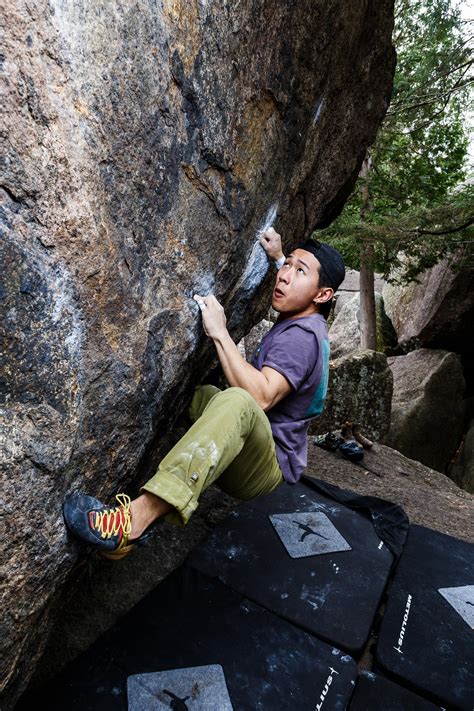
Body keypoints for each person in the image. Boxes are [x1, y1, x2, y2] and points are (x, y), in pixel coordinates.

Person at [63, 229, 345, 559]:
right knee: (197, 395)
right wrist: (280, 258)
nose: (284, 276)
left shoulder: (301, 338)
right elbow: (295, 274)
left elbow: (262, 398)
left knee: (237, 401)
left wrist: (219, 332)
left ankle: (134, 522)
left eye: (299, 272)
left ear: (322, 295)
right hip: (256, 446)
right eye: (288, 266)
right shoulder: (309, 316)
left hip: (264, 467)